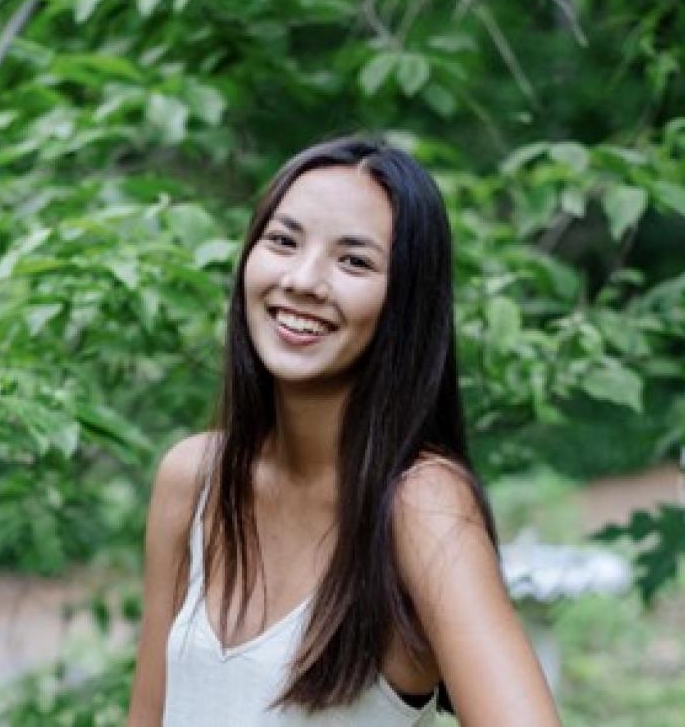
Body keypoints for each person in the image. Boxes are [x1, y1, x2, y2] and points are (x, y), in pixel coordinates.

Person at [127, 136, 561, 726]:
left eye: (354, 260)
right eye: (283, 241)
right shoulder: (194, 478)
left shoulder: (420, 503)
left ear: (404, 303)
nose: (303, 280)